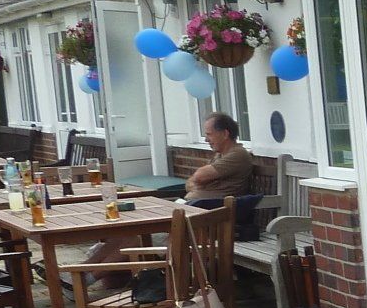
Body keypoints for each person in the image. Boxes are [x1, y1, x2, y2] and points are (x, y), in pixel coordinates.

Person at [85, 113, 252, 289]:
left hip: (205, 223)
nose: (205, 139)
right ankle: (81, 271)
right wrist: (197, 184)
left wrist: (198, 183)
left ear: (225, 134)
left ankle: (87, 279)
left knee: (140, 236)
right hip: (191, 214)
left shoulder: (237, 155)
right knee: (128, 233)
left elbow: (199, 177)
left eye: (209, 134)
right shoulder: (219, 156)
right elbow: (190, 182)